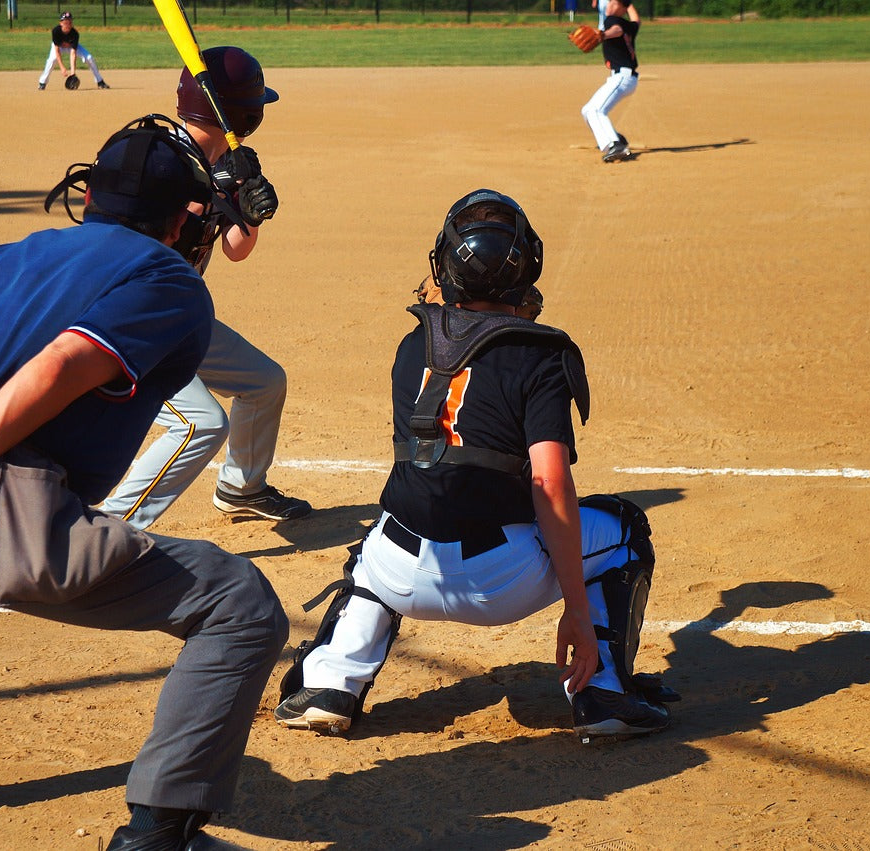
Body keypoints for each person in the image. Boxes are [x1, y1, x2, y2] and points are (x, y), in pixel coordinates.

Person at [0, 116, 287, 851]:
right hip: (2, 523)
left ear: (90, 191)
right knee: (240, 603)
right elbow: (63, 364)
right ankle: (160, 835)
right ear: (182, 218)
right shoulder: (168, 279)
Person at [273, 190, 674, 739]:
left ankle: (330, 683)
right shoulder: (540, 354)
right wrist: (575, 609)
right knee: (626, 527)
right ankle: (603, 692)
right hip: (499, 581)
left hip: (399, 573)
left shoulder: (415, 342)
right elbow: (548, 482)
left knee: (379, 540)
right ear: (528, 267)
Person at [100, 46, 311, 529]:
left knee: (264, 382)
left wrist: (249, 209)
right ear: (242, 112)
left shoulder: (228, 159)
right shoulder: (152, 157)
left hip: (177, 316)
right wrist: (207, 193)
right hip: (122, 321)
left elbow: (236, 248)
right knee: (200, 422)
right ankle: (111, 531)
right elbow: (137, 252)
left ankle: (242, 487)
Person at [581, 0, 641, 163]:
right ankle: (617, 139)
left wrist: (604, 35)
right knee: (587, 110)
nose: (609, 6)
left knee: (596, 111)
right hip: (623, 78)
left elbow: (616, 30)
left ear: (621, 9)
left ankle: (615, 146)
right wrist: (628, 5)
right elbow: (636, 21)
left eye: (614, 3)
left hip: (623, 77)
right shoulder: (630, 25)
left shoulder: (612, 21)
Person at [37, 12, 109, 91]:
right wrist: (62, 68)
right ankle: (42, 83)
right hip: (59, 47)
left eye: (70, 22)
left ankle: (100, 82)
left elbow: (73, 53)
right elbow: (57, 51)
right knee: (52, 60)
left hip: (71, 48)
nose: (68, 24)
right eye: (65, 22)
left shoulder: (75, 33)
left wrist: (72, 73)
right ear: (61, 23)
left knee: (89, 58)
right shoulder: (56, 31)